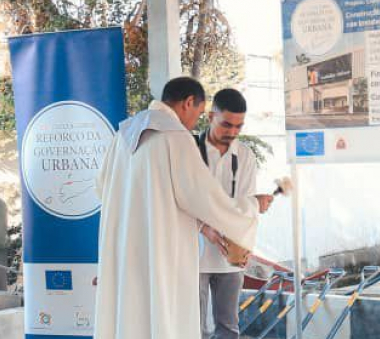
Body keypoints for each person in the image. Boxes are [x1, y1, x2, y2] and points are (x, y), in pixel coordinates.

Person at [94, 77, 260, 339]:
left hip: (126, 250)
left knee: (131, 317)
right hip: (162, 249)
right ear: (189, 102)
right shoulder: (175, 137)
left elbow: (101, 187)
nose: (196, 121)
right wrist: (248, 211)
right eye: (198, 112)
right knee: (165, 317)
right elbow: (204, 198)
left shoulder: (123, 135)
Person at [198, 89, 269, 339]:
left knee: (228, 327)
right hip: (193, 252)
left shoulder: (246, 155)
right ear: (210, 116)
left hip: (231, 255)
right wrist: (203, 227)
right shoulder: (189, 151)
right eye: (226, 124)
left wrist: (245, 245)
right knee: (194, 328)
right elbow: (179, 202)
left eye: (239, 126)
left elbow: (245, 208)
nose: (233, 132)